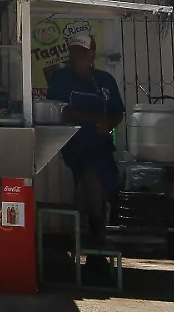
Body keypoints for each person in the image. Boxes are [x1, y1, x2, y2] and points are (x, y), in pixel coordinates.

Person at [46, 31, 125, 279]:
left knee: (101, 184)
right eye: (75, 52)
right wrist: (92, 119)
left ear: (92, 54)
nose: (79, 57)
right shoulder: (61, 79)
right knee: (91, 176)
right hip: (75, 146)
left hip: (102, 147)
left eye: (83, 52)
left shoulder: (105, 80)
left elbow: (118, 112)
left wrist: (108, 123)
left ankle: (96, 236)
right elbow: (62, 111)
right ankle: (96, 239)